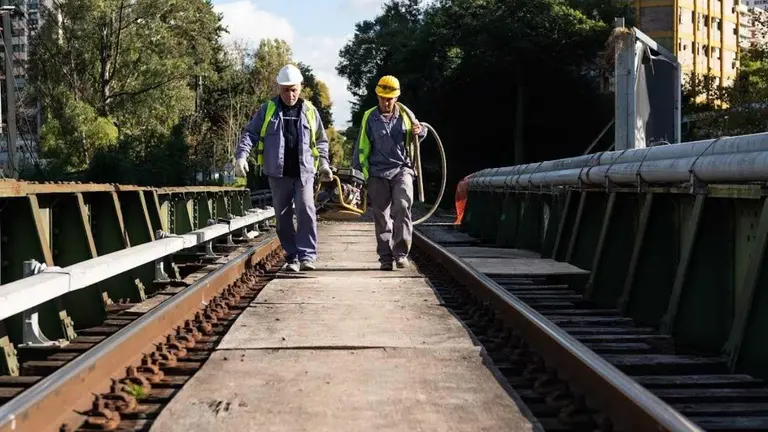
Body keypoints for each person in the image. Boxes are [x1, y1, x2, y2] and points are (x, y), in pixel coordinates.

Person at [234, 64, 333, 272]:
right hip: (278, 173)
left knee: (306, 210)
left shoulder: (310, 111)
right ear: (279, 88)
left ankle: (307, 256)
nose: (290, 95)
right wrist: (241, 156)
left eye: (294, 90)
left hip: (304, 172)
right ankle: (292, 257)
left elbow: (321, 140)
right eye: (286, 90)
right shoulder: (268, 110)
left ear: (300, 87)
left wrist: (324, 164)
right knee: (283, 217)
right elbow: (250, 133)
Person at [352, 75, 428, 271]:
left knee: (402, 205)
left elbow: (420, 132)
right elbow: (361, 145)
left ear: (396, 97)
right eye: (383, 98)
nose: (386, 102)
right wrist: (357, 174)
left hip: (402, 169)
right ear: (378, 96)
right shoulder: (370, 117)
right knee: (381, 215)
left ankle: (401, 254)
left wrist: (420, 131)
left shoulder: (406, 115)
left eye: (390, 99)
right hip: (377, 172)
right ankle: (385, 257)